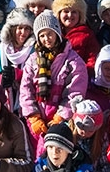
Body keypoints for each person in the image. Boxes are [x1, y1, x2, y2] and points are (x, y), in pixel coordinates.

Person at [19, 10, 88, 157]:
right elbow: (26, 89)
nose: (46, 39)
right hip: (38, 120)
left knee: (57, 156)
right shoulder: (33, 60)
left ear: (57, 33)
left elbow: (75, 92)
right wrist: (33, 116)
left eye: (50, 34)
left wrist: (61, 116)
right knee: (37, 157)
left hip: (61, 121)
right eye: (42, 35)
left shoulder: (72, 60)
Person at [0, 7, 35, 114]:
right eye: (20, 28)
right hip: (1, 108)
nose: (23, 32)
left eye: (27, 28)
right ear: (11, 29)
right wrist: (0, 78)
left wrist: (19, 75)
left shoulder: (34, 52)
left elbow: (38, 77)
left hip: (28, 106)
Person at [52, 0, 100, 74]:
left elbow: (92, 58)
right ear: (59, 13)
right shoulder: (53, 33)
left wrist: (81, 73)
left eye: (74, 12)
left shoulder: (86, 34)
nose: (70, 15)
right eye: (66, 11)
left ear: (80, 15)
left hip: (78, 77)